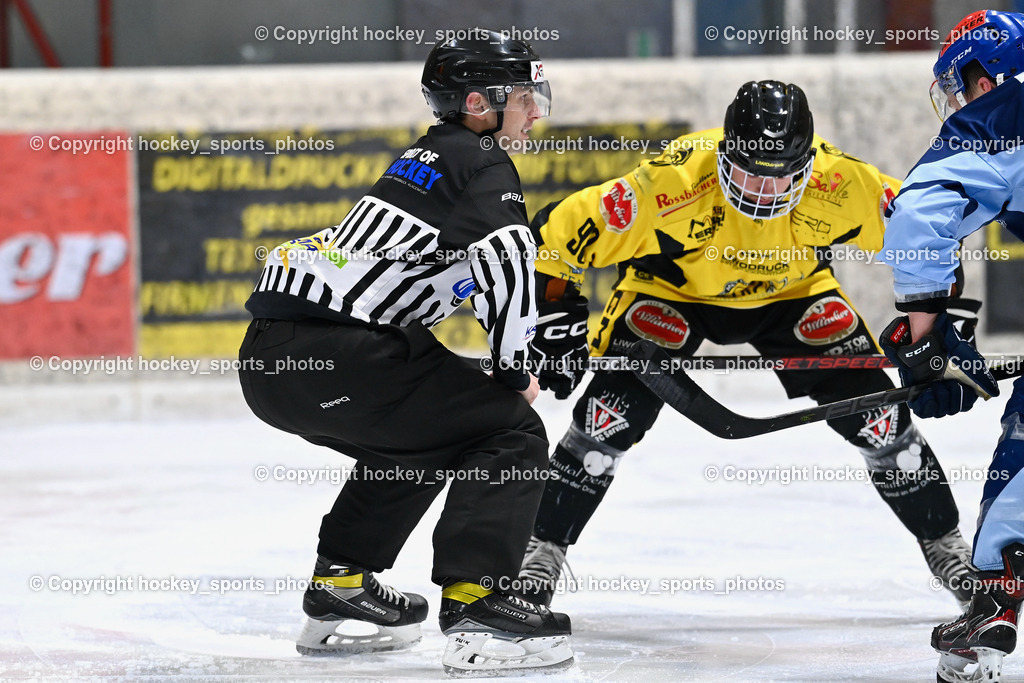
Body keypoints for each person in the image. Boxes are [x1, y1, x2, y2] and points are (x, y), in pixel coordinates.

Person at [517, 80, 977, 610]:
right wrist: (554, 321)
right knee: (607, 417)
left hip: (795, 294)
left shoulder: (843, 182)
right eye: (748, 173)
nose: (763, 191)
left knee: (881, 422)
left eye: (783, 176)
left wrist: (937, 339)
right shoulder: (670, 181)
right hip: (672, 293)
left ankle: (945, 543)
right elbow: (554, 235)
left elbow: (931, 235)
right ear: (724, 156)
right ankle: (542, 547)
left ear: (809, 162)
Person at [237, 31, 573, 676]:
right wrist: (513, 367)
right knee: (510, 429)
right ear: (480, 103)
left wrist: (507, 354)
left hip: (274, 364)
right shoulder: (481, 159)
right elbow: (506, 264)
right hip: (344, 354)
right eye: (526, 97)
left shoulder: (429, 158)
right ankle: (480, 603)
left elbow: (433, 281)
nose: (535, 111)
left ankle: (342, 584)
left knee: (422, 437)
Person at [876, 9, 1024, 682]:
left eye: (959, 87)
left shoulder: (1005, 109)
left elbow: (919, 214)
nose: (960, 103)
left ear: (984, 74)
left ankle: (997, 591)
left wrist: (926, 334)